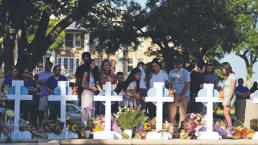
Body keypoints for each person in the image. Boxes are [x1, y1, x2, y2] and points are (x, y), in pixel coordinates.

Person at [169, 56, 190, 123]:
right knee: (172, 113)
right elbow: (170, 85)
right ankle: (172, 128)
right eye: (175, 63)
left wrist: (180, 96)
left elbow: (187, 85)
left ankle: (182, 129)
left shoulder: (185, 72)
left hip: (184, 95)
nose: (177, 65)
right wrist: (171, 95)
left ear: (182, 64)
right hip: (173, 95)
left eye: (178, 63)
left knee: (182, 113)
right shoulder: (171, 72)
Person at [81, 59, 99, 123]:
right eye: (92, 63)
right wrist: (91, 88)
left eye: (94, 63)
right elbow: (83, 84)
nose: (94, 65)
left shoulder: (92, 72)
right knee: (86, 110)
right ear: (89, 64)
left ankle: (91, 126)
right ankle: (85, 127)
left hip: (92, 92)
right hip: (86, 93)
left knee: (92, 111)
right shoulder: (86, 72)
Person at [220, 62, 236, 127]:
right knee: (227, 113)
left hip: (230, 96)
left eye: (222, 69)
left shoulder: (232, 76)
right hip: (225, 96)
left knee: (225, 113)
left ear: (226, 68)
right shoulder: (226, 76)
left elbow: (232, 89)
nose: (222, 70)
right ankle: (228, 127)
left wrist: (229, 99)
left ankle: (230, 128)